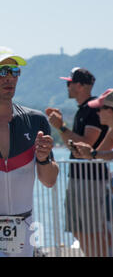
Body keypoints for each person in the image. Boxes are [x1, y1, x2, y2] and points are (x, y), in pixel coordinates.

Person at [0, 46, 59, 257]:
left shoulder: (36, 121)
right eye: (0, 71)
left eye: (14, 72)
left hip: (24, 227)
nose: (9, 78)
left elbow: (49, 180)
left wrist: (42, 160)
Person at [46, 67, 109, 257]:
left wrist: (61, 127)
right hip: (79, 177)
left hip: (91, 179)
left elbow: (86, 146)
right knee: (77, 229)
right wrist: (61, 128)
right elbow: (75, 147)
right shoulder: (84, 110)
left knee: (93, 230)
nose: (67, 87)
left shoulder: (93, 110)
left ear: (80, 86)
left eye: (69, 83)